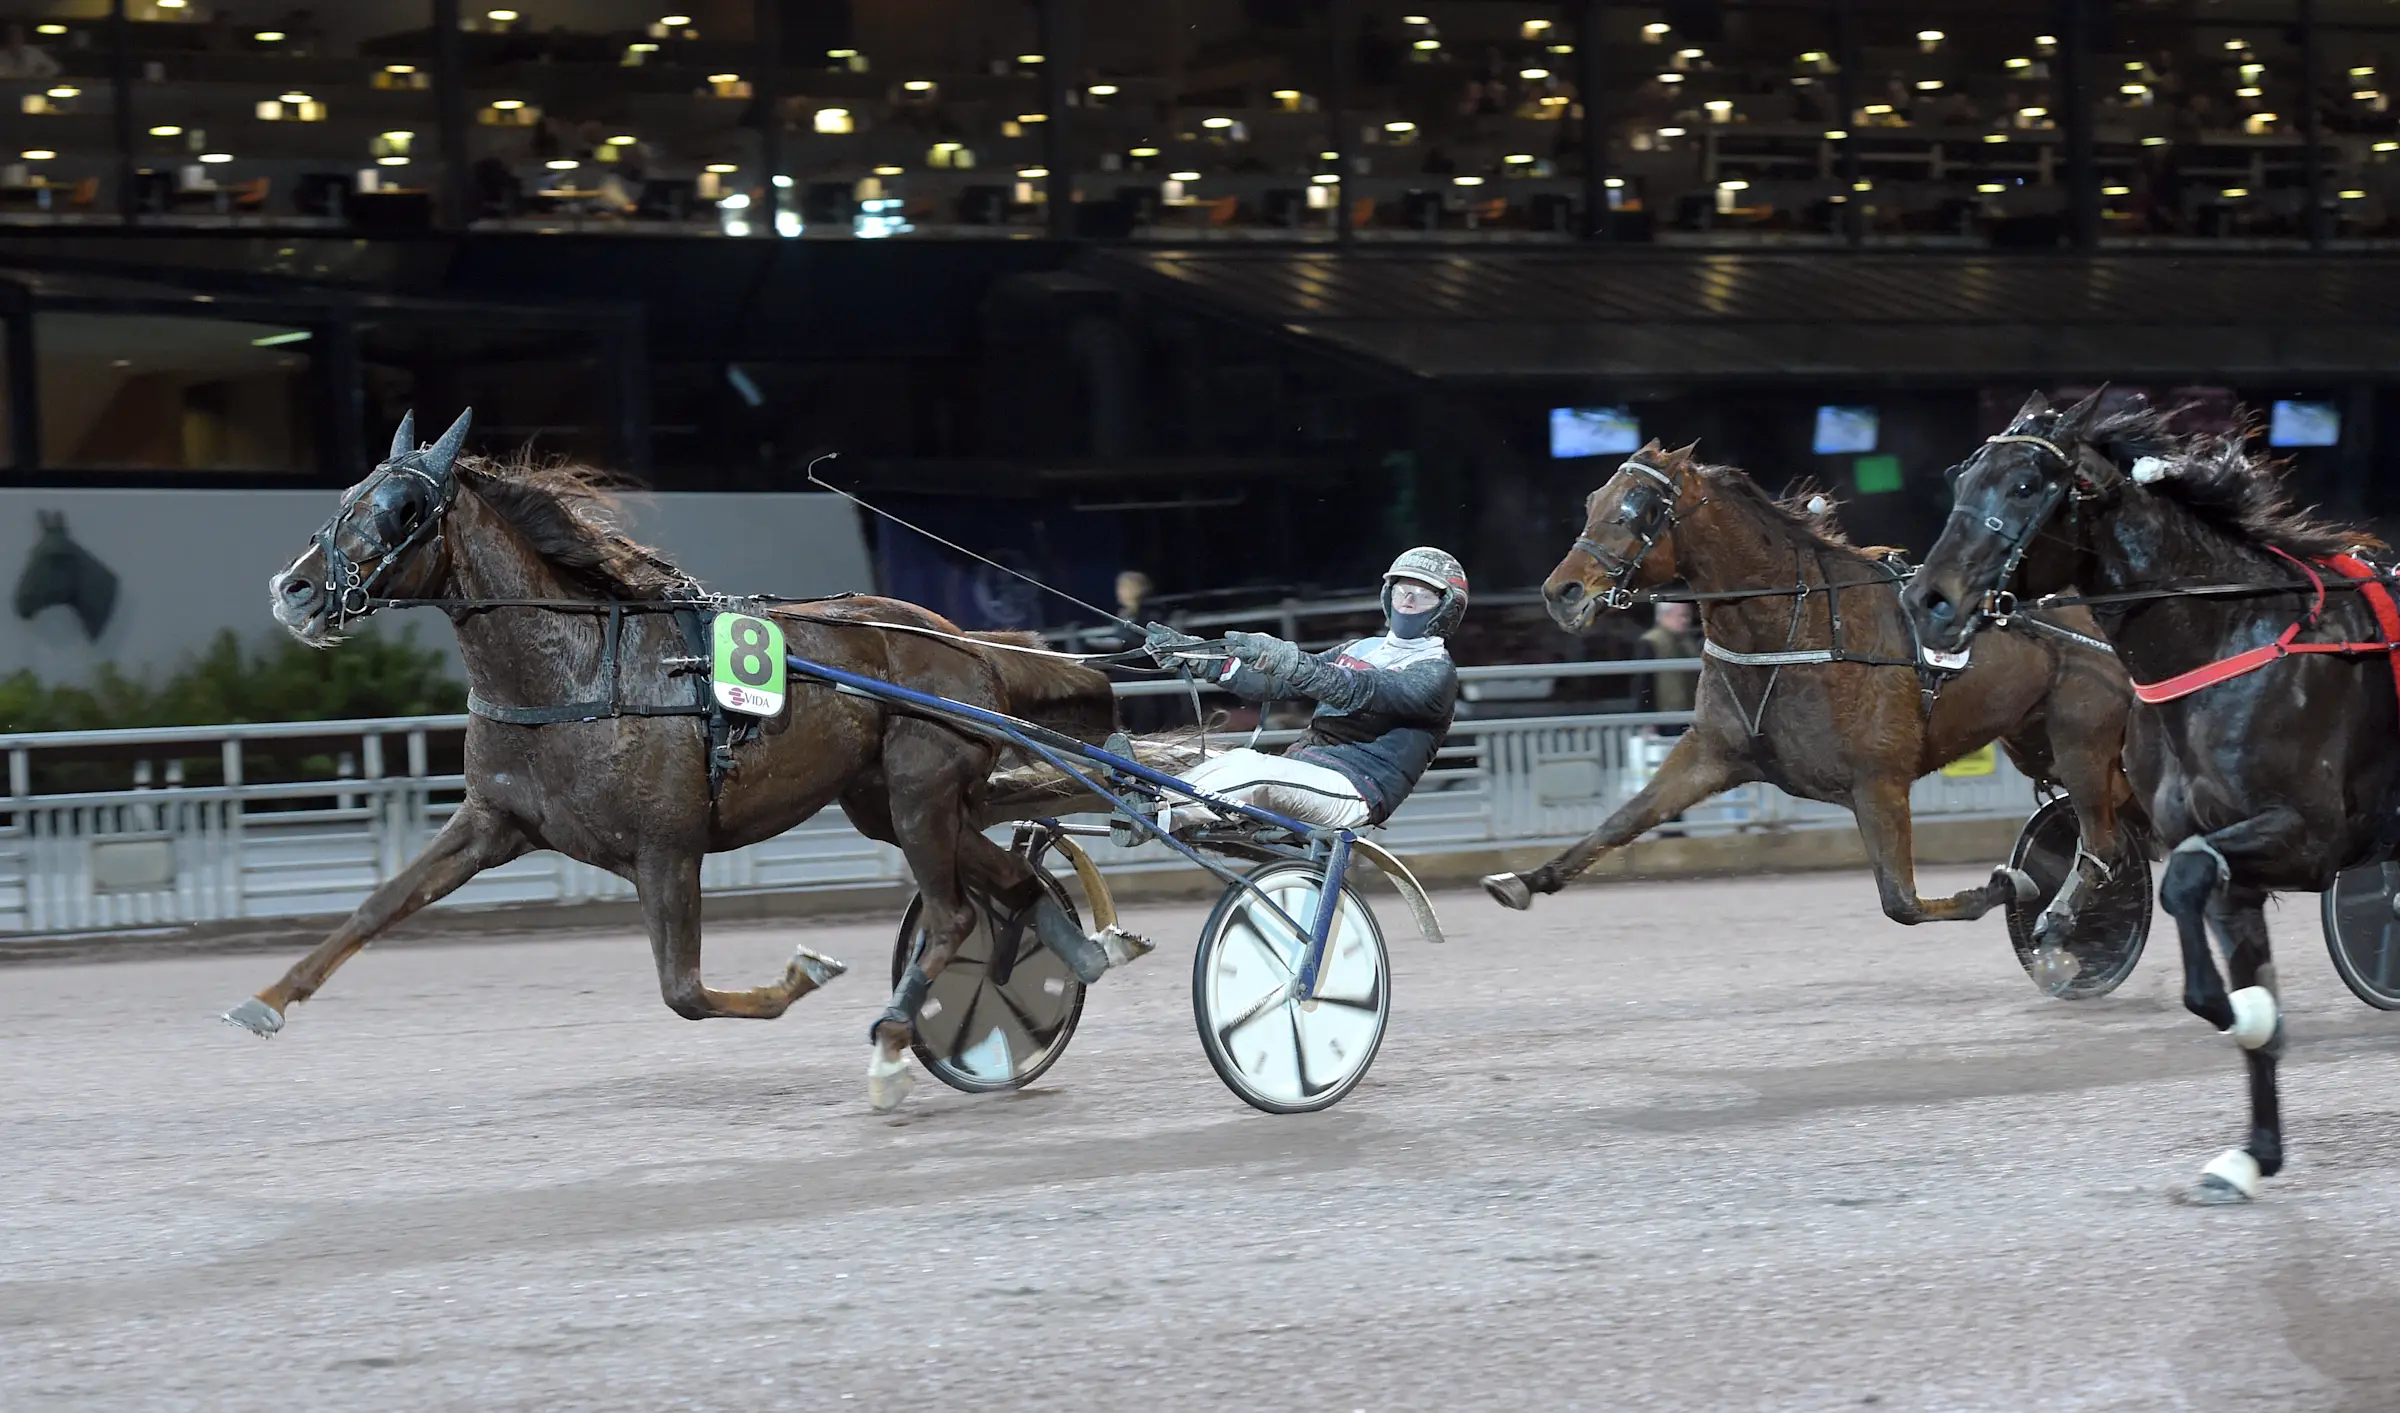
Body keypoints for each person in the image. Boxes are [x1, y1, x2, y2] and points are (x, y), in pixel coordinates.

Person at [1148, 548, 1467, 830]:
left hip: (1357, 789)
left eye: (1423, 595)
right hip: (1309, 769)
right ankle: (1144, 792)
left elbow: (1357, 689)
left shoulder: (1436, 672)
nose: (1409, 601)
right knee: (1231, 761)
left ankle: (1158, 813)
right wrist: (1200, 657)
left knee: (1252, 770)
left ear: (1446, 608)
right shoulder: (1361, 648)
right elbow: (1274, 684)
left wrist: (1290, 661)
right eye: (1402, 590)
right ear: (1388, 595)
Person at [1636, 599, 1700, 735]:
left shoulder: (1687, 643)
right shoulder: (1651, 642)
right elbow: (1644, 684)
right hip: (1666, 716)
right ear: (1666, 615)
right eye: (1682, 615)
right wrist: (1646, 718)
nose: (1686, 621)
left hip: (1689, 712)